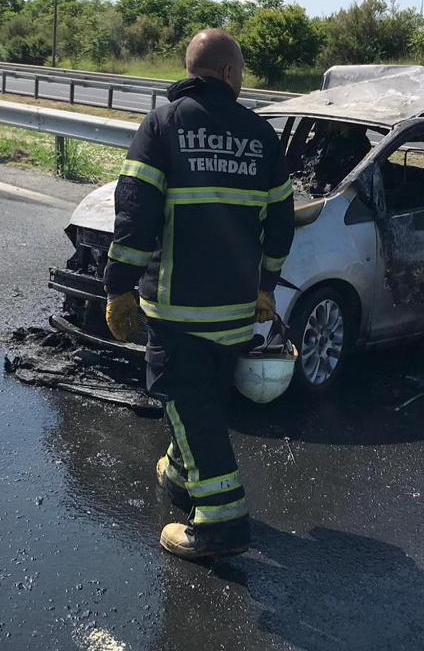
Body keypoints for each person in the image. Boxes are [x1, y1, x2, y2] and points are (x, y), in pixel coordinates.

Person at [102, 28, 294, 561]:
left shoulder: (163, 124)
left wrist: (117, 286)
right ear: (231, 75)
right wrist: (266, 288)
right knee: (203, 404)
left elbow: (135, 214)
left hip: (176, 308)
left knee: (187, 403)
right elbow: (281, 225)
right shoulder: (261, 134)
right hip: (235, 312)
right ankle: (185, 476)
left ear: (190, 72)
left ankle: (222, 521)